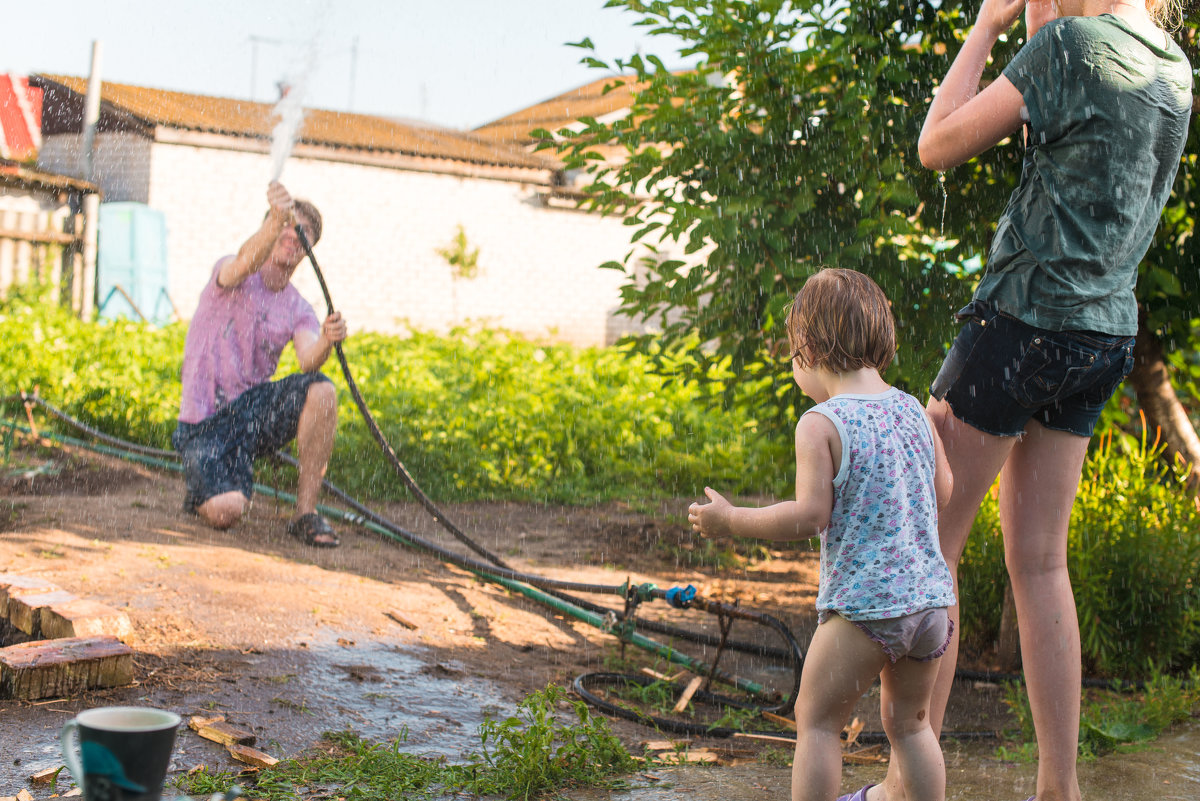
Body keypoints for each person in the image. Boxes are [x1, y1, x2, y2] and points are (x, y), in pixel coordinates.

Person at [880, 1, 1192, 800]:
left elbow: (936, 145)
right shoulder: (1169, 64)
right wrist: (1040, 24)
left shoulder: (1067, 46)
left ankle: (908, 782)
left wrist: (986, 25)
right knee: (1042, 559)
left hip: (1018, 321)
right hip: (1101, 336)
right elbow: (1048, 136)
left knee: (931, 543)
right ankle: (1061, 786)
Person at [688, 268, 956, 801]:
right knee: (912, 727)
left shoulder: (821, 422)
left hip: (867, 608)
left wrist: (732, 520)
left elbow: (810, 516)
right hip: (931, 606)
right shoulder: (912, 410)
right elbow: (944, 490)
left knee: (815, 721)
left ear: (807, 346)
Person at [171, 181, 347, 547]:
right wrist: (275, 221)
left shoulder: (299, 308)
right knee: (227, 512)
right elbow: (245, 261)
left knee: (323, 388)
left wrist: (328, 340)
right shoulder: (232, 272)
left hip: (250, 417)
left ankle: (305, 513)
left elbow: (307, 361)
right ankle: (203, 490)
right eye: (286, 225)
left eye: (304, 232)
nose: (293, 234)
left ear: (310, 249)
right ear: (269, 228)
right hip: (202, 423)